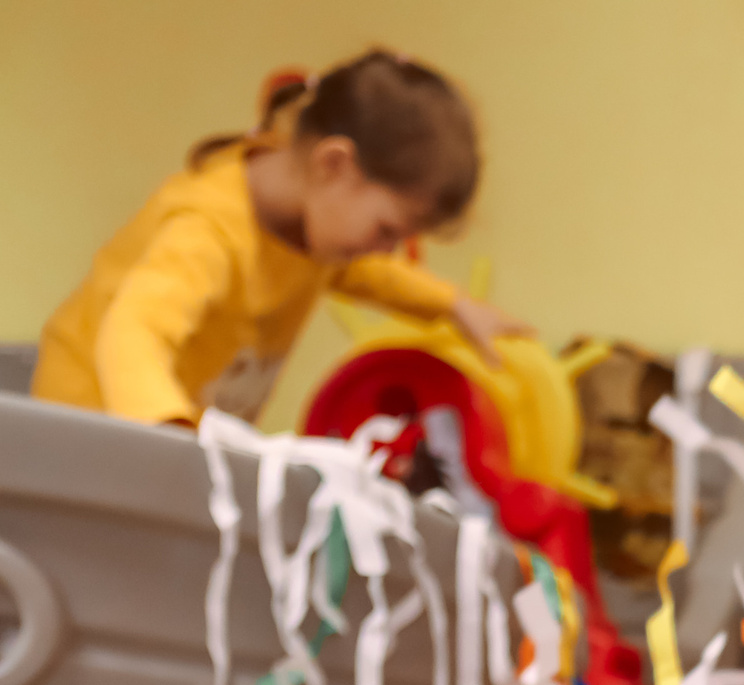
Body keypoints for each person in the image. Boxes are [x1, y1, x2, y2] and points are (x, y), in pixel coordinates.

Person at [35, 51, 527, 429]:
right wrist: (170, 431)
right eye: (387, 231)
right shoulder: (211, 229)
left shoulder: (315, 230)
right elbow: (133, 330)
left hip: (168, 434)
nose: (389, 250)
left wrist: (452, 305)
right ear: (335, 165)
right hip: (88, 417)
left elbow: (370, 274)